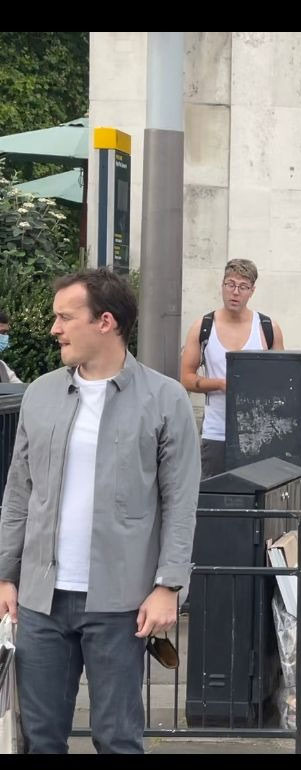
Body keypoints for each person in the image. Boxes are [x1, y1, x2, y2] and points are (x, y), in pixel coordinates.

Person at [0, 268, 199, 753]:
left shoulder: (164, 398)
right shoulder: (40, 395)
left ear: (106, 321)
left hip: (120, 602)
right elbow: (18, 493)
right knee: (39, 738)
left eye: (66, 317)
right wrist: (5, 575)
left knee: (117, 738)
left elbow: (180, 502)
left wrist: (168, 587)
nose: (55, 329)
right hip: (41, 600)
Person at [180, 259, 285, 478]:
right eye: (230, 284)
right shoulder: (204, 327)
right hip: (216, 432)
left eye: (243, 287)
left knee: (255, 504)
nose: (235, 292)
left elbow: (282, 380)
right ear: (222, 285)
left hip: (259, 433)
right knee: (213, 501)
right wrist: (220, 384)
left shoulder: (267, 328)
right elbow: (186, 378)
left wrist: (258, 388)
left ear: (252, 291)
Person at [0, 310, 21, 383]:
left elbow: (21, 390)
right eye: (2, 332)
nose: (5, 336)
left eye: (6, 333)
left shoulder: (2, 367)